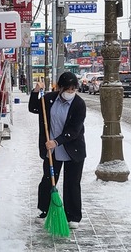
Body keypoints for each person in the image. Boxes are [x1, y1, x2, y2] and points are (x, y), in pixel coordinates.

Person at [28, 72, 86, 229]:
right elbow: (34, 108)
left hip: (73, 149)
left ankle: (73, 216)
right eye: (67, 89)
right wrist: (35, 91)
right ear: (60, 88)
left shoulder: (79, 104)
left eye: (73, 90)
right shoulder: (49, 99)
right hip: (51, 151)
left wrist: (57, 141)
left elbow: (75, 129)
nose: (70, 93)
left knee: (72, 183)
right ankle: (44, 210)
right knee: (48, 180)